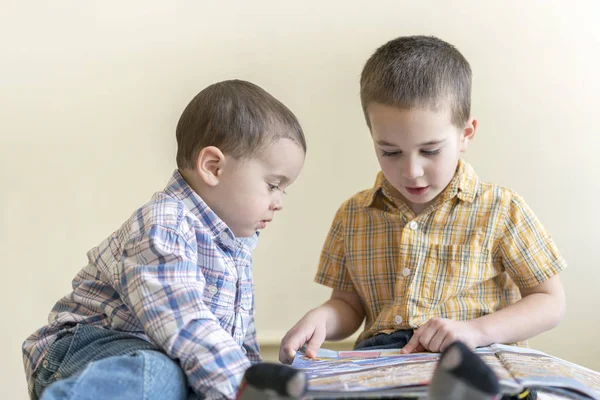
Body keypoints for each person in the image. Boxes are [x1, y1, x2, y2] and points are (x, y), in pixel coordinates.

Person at [279, 35, 566, 366]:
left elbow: (549, 301)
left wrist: (477, 331)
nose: (411, 171)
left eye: (430, 151)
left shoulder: (502, 209)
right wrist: (323, 319)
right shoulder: (354, 214)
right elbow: (349, 305)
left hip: (475, 357)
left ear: (466, 135)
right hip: (382, 362)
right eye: (390, 152)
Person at [23, 79, 307, 400]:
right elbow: (187, 327)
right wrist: (243, 392)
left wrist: (258, 381)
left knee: (187, 381)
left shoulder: (236, 246)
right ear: (213, 167)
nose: (280, 201)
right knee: (157, 372)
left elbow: (237, 342)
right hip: (85, 349)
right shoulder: (165, 225)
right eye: (273, 185)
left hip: (164, 353)